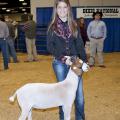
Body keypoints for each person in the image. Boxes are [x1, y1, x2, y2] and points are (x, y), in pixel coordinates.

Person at [47, 0, 88, 120]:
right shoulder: (52, 26)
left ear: (68, 9)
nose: (62, 10)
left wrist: (83, 61)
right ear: (56, 9)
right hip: (59, 63)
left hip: (75, 63)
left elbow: (80, 44)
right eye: (59, 7)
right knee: (62, 95)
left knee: (79, 96)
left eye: (65, 7)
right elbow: (50, 47)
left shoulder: (74, 25)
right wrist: (64, 59)